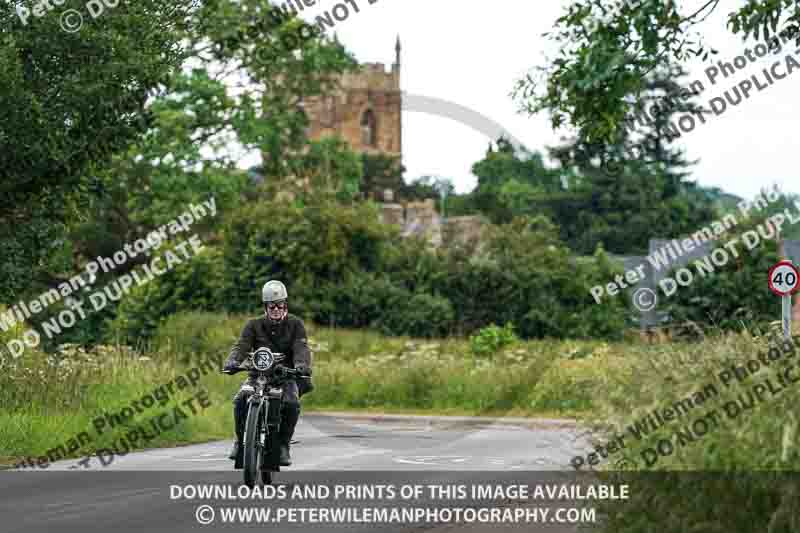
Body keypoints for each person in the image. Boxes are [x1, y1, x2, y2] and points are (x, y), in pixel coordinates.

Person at [222, 280, 313, 466]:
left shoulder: (296, 324)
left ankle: (283, 446)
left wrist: (301, 365)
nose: (276, 309)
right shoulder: (253, 325)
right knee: (240, 400)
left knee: (291, 403)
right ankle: (240, 442)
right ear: (266, 306)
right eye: (272, 306)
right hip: (257, 375)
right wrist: (233, 361)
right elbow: (241, 346)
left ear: (285, 305)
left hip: (286, 376)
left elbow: (301, 347)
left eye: (280, 305)